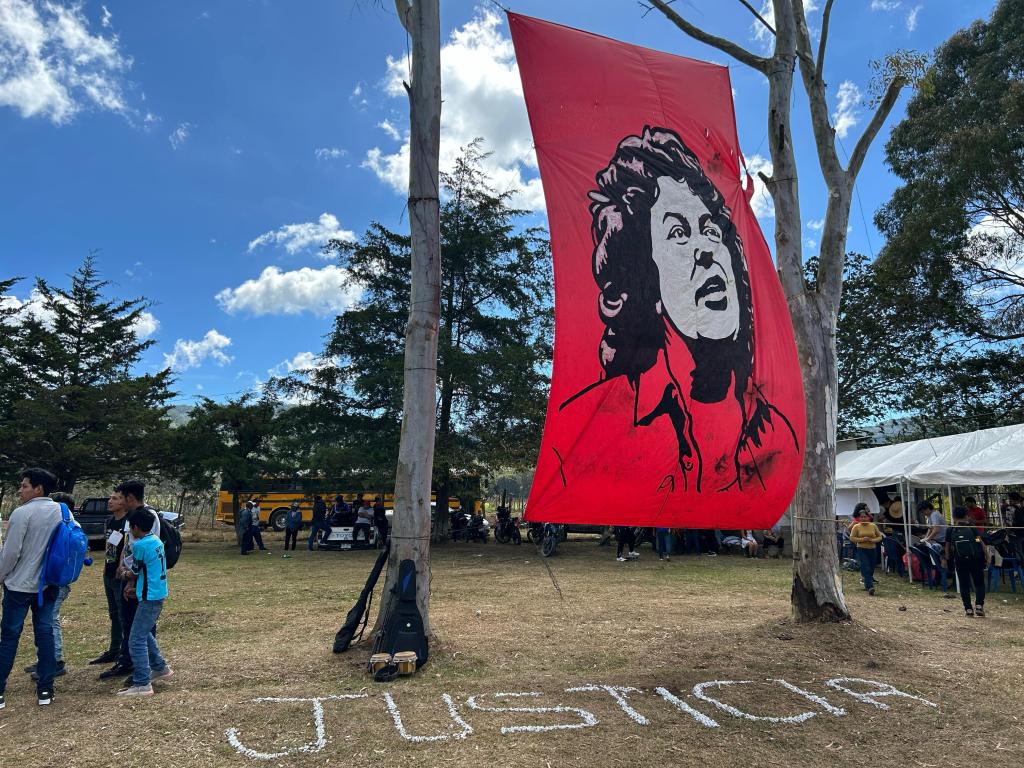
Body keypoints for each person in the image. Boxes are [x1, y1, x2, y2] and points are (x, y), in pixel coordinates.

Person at [552, 126, 799, 497]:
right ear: (644, 280)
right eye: (678, 233)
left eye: (712, 231)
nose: (706, 251)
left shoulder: (775, 431)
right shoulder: (583, 431)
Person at [0, 468, 64, 708]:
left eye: (24, 485)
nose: (20, 490)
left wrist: (1, 576)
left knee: (9, 636)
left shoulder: (22, 513)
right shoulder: (63, 511)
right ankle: (45, 689)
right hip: (48, 584)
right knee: (45, 634)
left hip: (19, 585)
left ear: (38, 488)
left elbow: (11, 553)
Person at [100, 480, 160, 682]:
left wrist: (131, 580)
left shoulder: (147, 517)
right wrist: (120, 566)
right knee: (128, 622)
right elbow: (127, 546)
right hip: (126, 576)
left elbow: (144, 553)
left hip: (140, 582)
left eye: (120, 497)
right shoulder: (131, 517)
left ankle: (146, 668)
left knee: (141, 627)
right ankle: (128, 661)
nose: (115, 500)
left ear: (130, 498)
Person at [117, 508, 173, 697]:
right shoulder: (156, 541)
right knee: (143, 632)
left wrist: (123, 575)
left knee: (136, 639)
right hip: (156, 592)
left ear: (135, 527)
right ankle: (159, 667)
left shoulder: (140, 546)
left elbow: (134, 572)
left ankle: (142, 683)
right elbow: (149, 570)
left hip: (150, 596)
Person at [24, 491, 76, 682]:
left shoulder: (64, 528)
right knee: (45, 620)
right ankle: (46, 659)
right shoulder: (68, 526)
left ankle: (55, 660)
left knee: (50, 620)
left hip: (56, 580)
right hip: (53, 579)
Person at [89, 487, 128, 666]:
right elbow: (110, 546)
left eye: (115, 498)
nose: (110, 501)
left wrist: (121, 567)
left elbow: (127, 547)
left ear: (124, 502)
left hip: (121, 575)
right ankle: (114, 650)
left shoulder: (128, 522)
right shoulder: (111, 521)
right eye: (110, 498)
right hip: (109, 573)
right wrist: (106, 567)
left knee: (122, 614)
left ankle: (125, 652)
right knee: (113, 614)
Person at [946, 506, 987, 618]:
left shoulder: (950, 530)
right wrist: (987, 556)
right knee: (979, 583)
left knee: (964, 585)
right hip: (975, 560)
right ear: (966, 515)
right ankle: (979, 605)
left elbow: (947, 546)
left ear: (954, 517)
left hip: (960, 561)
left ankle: (968, 609)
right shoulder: (972, 528)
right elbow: (979, 541)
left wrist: (948, 560)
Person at [849, 507, 883, 595]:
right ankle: (870, 586)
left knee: (871, 568)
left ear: (868, 517)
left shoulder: (873, 526)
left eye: (865, 517)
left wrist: (872, 540)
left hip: (872, 549)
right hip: (861, 549)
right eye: (861, 517)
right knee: (866, 567)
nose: (863, 518)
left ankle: (867, 583)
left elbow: (879, 537)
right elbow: (852, 538)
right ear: (859, 518)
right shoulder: (856, 526)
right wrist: (862, 539)